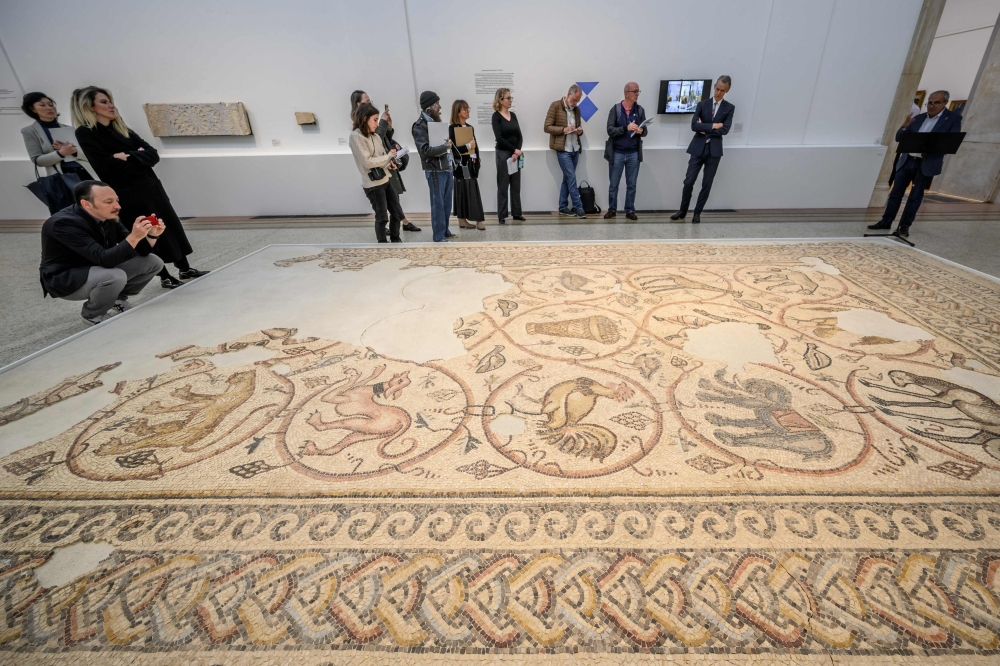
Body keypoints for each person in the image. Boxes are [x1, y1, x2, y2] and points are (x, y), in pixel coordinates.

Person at [73, 87, 207, 289]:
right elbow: (106, 166)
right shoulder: (86, 132)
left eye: (110, 100)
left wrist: (128, 155)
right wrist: (136, 156)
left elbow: (153, 155)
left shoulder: (121, 128)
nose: (111, 105)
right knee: (147, 231)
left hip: (151, 187)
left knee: (168, 225)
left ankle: (185, 268)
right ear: (89, 107)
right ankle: (164, 276)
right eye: (103, 102)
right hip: (128, 193)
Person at [40, 180, 164, 325]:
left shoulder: (107, 216)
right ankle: (92, 315)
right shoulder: (63, 223)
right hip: (66, 277)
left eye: (117, 200)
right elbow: (105, 260)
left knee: (153, 262)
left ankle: (116, 299)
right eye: (108, 202)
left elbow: (140, 251)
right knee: (114, 276)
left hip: (97, 266)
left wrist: (151, 235)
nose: (117, 206)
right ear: (86, 204)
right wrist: (134, 236)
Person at [867, 90, 961, 238]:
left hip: (926, 163)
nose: (931, 106)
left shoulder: (952, 119)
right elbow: (899, 138)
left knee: (915, 197)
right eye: (929, 102)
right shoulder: (918, 118)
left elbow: (952, 141)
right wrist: (904, 127)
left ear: (945, 103)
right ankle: (886, 221)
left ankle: (904, 227)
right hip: (908, 160)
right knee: (895, 194)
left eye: (936, 103)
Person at [350, 90, 420, 232]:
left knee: (394, 199)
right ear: (358, 104)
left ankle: (400, 224)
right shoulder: (359, 127)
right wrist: (381, 122)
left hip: (386, 162)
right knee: (382, 205)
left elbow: (383, 138)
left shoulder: (371, 119)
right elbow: (372, 147)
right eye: (367, 101)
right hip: (377, 168)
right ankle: (390, 226)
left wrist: (388, 127)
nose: (370, 103)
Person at [670, 76, 735, 224]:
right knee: (688, 181)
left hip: (714, 151)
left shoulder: (729, 108)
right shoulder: (702, 104)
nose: (718, 93)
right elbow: (694, 126)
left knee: (707, 183)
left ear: (727, 90)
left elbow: (725, 130)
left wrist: (704, 128)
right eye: (717, 89)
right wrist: (713, 126)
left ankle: (697, 213)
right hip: (697, 148)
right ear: (714, 86)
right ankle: (682, 210)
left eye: (722, 90)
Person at [20, 92, 94, 212]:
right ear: (32, 109)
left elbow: (88, 155)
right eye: (42, 105)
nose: (49, 108)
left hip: (84, 173)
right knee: (72, 213)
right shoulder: (29, 131)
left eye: (50, 104)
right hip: (62, 178)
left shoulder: (68, 128)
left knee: (95, 210)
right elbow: (38, 160)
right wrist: (61, 153)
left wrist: (74, 151)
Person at [350, 103, 403, 243]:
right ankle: (383, 246)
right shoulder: (356, 137)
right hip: (373, 184)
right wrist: (388, 157)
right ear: (364, 118)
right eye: (374, 119)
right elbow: (367, 161)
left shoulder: (375, 136)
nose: (377, 123)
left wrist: (390, 164)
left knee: (397, 214)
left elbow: (381, 156)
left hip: (385, 179)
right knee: (382, 218)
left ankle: (396, 240)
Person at [412, 91, 455, 242]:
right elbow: (424, 151)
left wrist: (446, 145)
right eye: (437, 104)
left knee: (447, 202)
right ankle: (438, 235)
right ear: (429, 108)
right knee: (438, 204)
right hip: (435, 169)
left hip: (446, 167)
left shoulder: (435, 122)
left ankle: (445, 230)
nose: (440, 107)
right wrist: (445, 146)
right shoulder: (420, 126)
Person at [604, 82, 648, 221]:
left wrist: (641, 130)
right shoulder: (616, 110)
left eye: (638, 91)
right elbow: (610, 130)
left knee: (632, 185)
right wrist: (626, 128)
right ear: (626, 93)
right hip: (617, 153)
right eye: (634, 91)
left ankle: (629, 210)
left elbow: (645, 130)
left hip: (633, 153)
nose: (637, 94)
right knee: (614, 184)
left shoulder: (640, 110)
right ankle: (612, 209)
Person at [544, 85, 586, 219]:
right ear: (568, 95)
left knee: (567, 178)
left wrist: (580, 131)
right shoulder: (555, 106)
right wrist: (564, 130)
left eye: (577, 101)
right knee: (572, 178)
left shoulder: (577, 110)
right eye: (574, 100)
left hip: (575, 148)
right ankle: (579, 207)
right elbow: (547, 127)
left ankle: (562, 207)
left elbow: (579, 128)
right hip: (563, 149)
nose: (575, 103)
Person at [449, 100, 485, 230]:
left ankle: (478, 219)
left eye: (467, 109)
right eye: (465, 109)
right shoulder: (452, 128)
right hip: (460, 166)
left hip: (471, 164)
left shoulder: (470, 127)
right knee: (461, 191)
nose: (468, 111)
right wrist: (468, 146)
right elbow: (454, 149)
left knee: (472, 190)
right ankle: (462, 220)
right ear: (458, 112)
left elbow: (475, 147)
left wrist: (477, 161)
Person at [491, 88, 525, 225]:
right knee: (503, 185)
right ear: (500, 100)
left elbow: (519, 136)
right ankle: (502, 214)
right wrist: (514, 151)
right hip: (503, 154)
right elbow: (499, 138)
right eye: (508, 98)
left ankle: (517, 213)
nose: (510, 100)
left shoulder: (513, 115)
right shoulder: (496, 116)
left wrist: (517, 151)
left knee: (516, 185)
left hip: (515, 153)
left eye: (511, 98)